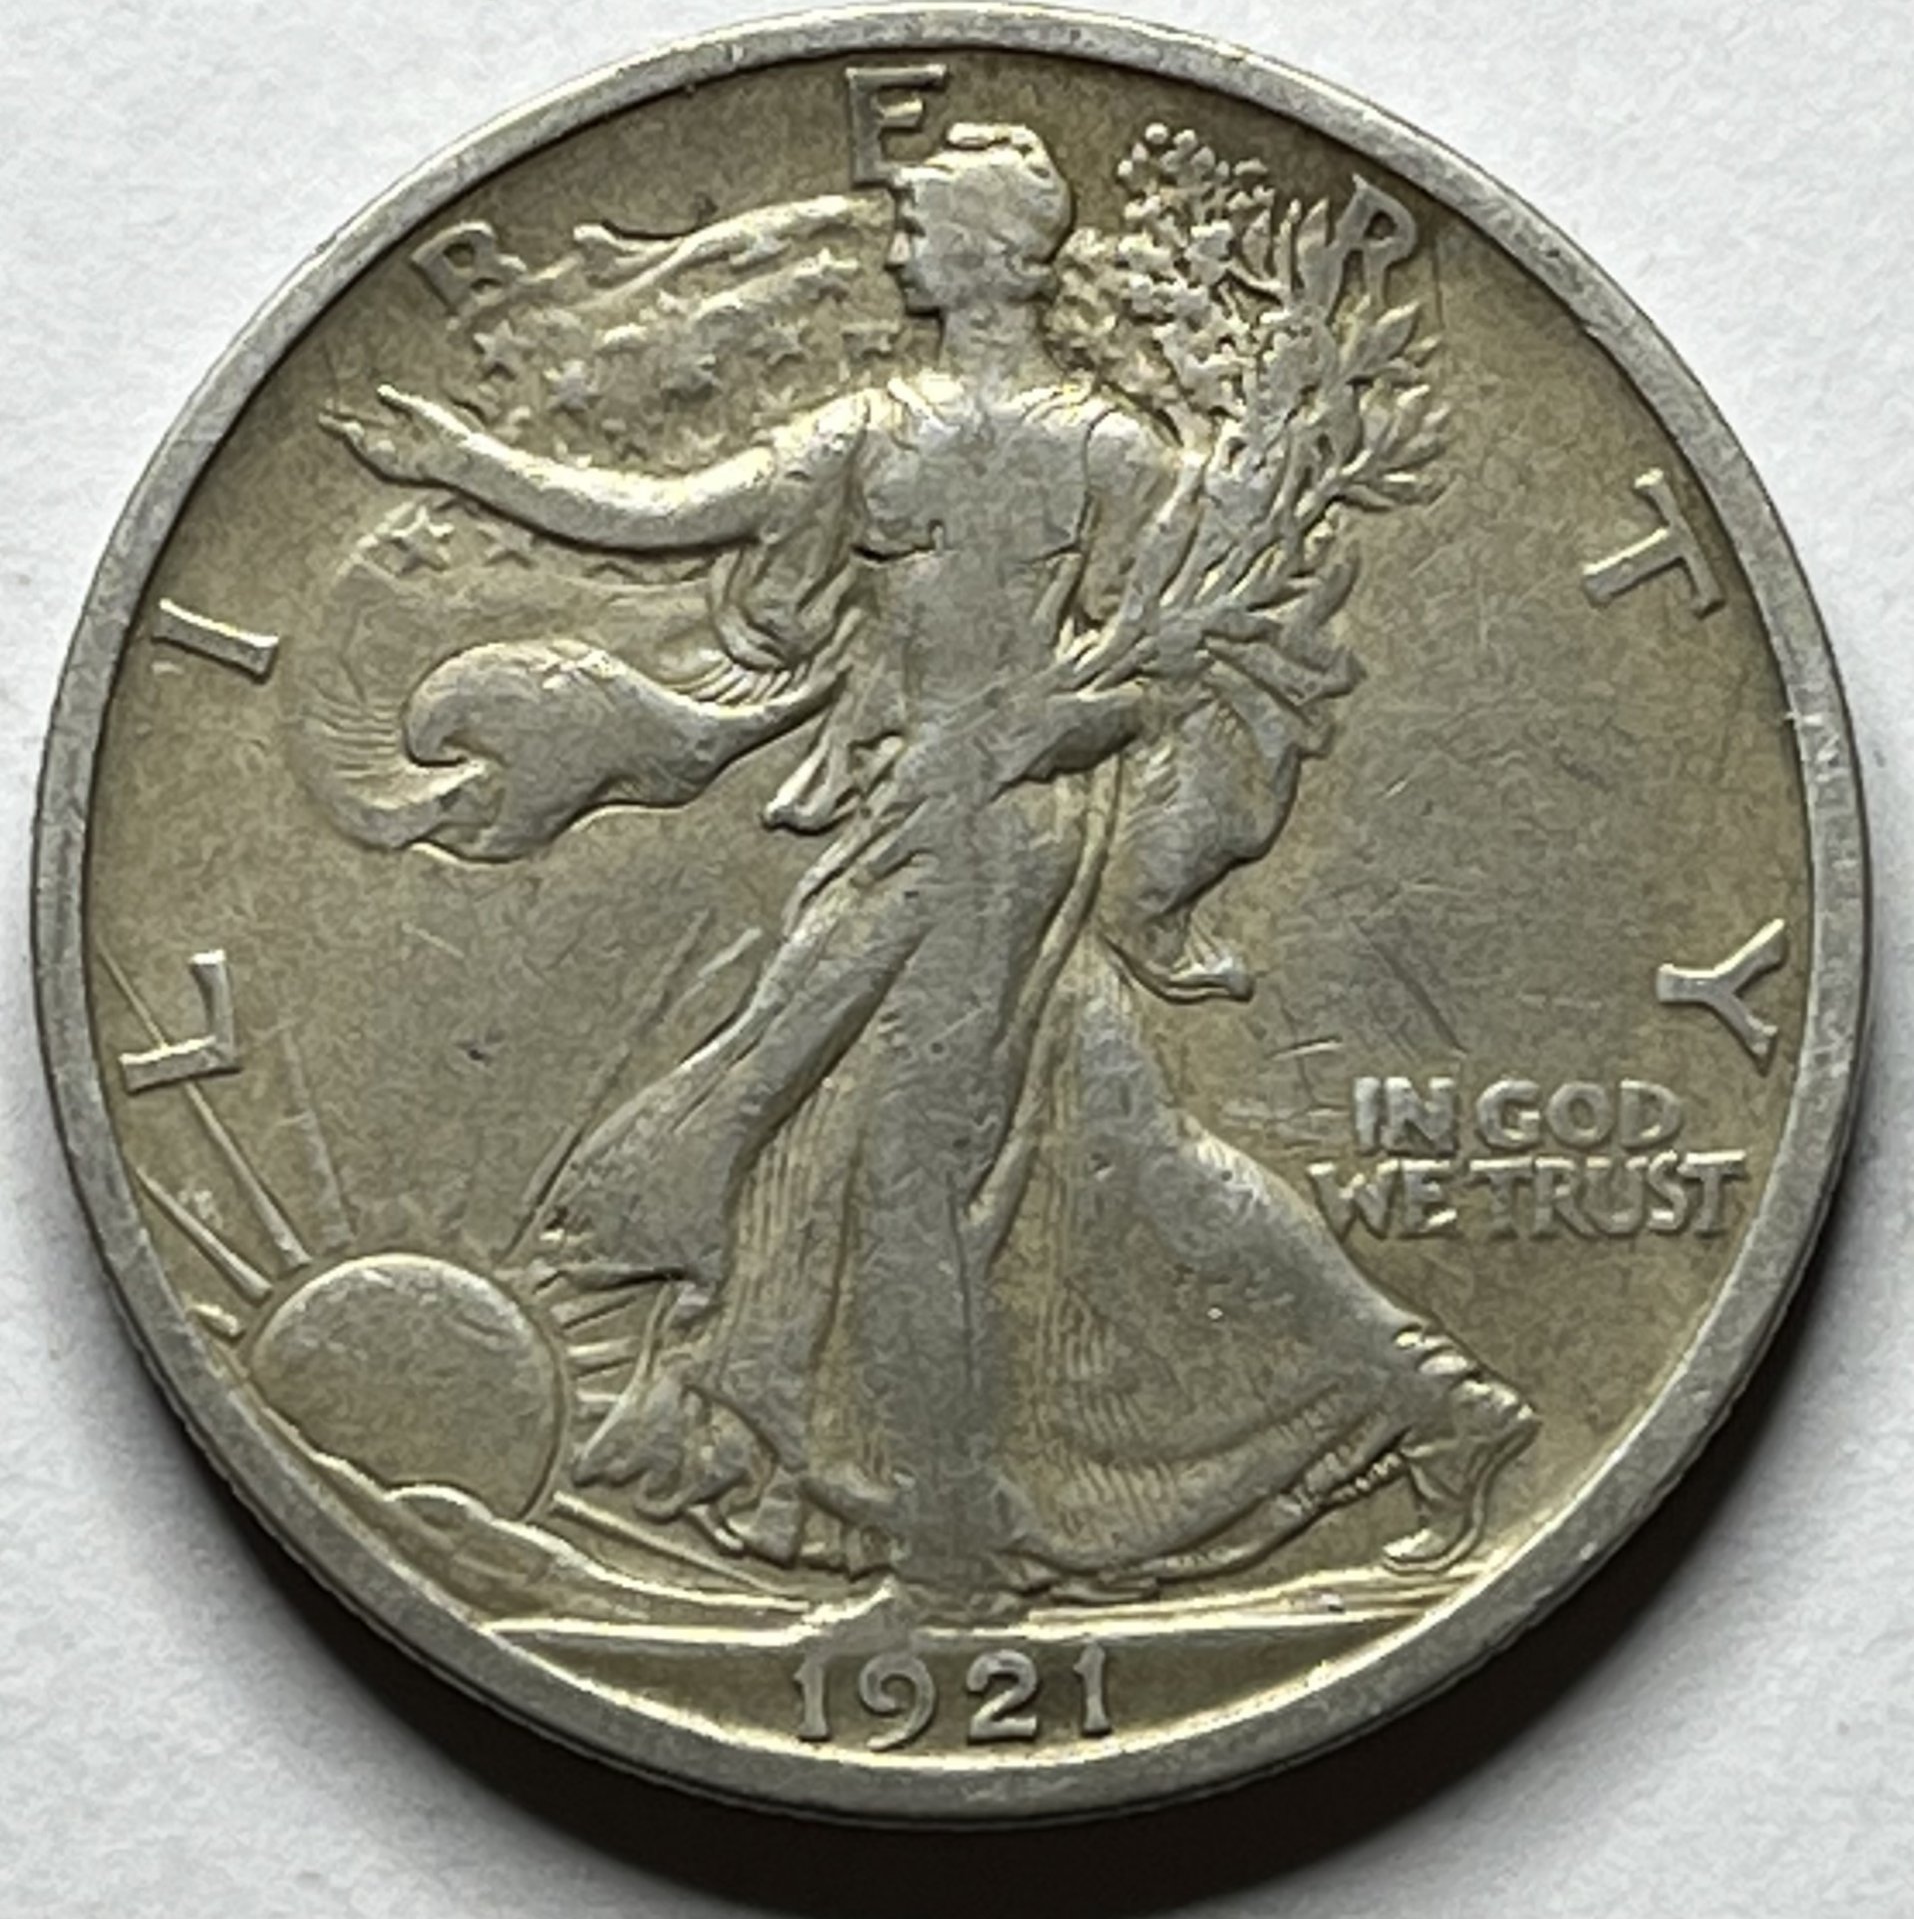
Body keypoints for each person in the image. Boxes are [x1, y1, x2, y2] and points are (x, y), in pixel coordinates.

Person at [330, 123, 1535, 1606]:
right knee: (1129, 1162)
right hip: (904, 821)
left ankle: (949, 1557)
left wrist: (1047, 733)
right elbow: (665, 517)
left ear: (990, 258)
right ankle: (1437, 1404)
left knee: (909, 1182)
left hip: (1001, 846)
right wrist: (465, 467)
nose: (897, 248)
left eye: (920, 228)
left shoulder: (1109, 455)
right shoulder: (871, 431)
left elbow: (1186, 669)